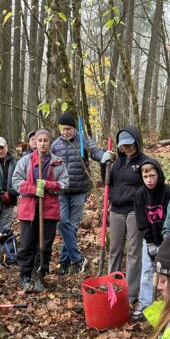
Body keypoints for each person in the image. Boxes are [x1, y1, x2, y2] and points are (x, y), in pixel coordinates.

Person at [50, 111, 115, 274]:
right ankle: (77, 259)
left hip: (79, 190)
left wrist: (103, 156)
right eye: (63, 129)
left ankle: (64, 263)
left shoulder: (82, 139)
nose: (66, 132)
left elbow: (93, 150)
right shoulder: (55, 145)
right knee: (63, 224)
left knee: (73, 226)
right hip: (62, 192)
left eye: (69, 129)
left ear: (74, 128)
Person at [12, 128, 69, 292]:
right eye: (39, 140)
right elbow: (16, 181)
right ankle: (26, 275)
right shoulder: (26, 161)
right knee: (27, 244)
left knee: (44, 244)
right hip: (29, 209)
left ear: (49, 142)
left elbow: (65, 183)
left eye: (45, 140)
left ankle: (39, 274)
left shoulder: (57, 162)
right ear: (34, 142)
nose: (42, 143)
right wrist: (33, 189)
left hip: (49, 210)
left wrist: (49, 185)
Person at [108, 126, 150, 304]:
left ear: (137, 142)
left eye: (130, 144)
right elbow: (107, 182)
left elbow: (150, 183)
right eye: (124, 146)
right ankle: (111, 286)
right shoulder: (116, 163)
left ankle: (131, 293)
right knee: (115, 249)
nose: (127, 148)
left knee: (133, 250)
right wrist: (105, 164)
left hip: (134, 210)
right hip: (116, 210)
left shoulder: (144, 162)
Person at [132, 158, 170, 320]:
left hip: (166, 239)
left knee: (168, 272)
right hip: (149, 240)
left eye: (152, 176)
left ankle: (169, 304)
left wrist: (164, 241)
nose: (149, 180)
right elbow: (141, 220)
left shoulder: (167, 191)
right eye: (145, 176)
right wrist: (149, 243)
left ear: (158, 174)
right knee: (147, 270)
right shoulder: (140, 194)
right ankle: (145, 302)